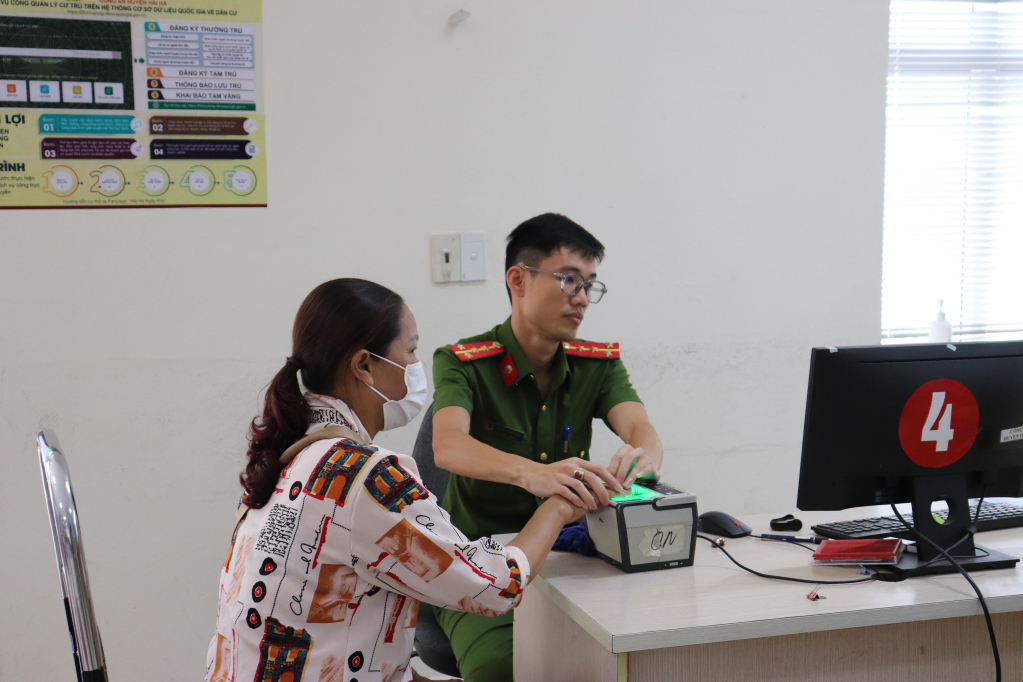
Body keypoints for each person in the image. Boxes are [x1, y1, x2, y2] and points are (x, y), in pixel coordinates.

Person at [205, 278, 589, 682]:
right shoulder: (360, 474)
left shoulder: (289, 456)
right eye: (410, 350)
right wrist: (560, 505)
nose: (416, 367)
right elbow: (495, 586)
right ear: (364, 365)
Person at [431, 213, 665, 681]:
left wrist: (642, 457)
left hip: (570, 560)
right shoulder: (463, 363)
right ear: (518, 279)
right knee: (509, 667)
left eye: (590, 285)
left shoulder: (596, 365)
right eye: (569, 280)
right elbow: (448, 446)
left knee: (642, 654)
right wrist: (530, 473)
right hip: (481, 565)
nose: (582, 299)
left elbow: (640, 428)